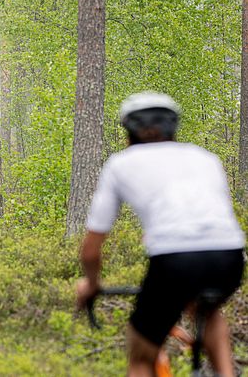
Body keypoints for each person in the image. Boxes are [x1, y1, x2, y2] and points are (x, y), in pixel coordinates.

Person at [75, 91, 245, 377]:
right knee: (209, 312)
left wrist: (90, 284)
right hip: (230, 257)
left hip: (174, 261)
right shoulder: (205, 158)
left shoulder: (121, 163)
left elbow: (92, 248)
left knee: (141, 353)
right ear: (173, 127)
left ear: (128, 130)